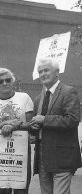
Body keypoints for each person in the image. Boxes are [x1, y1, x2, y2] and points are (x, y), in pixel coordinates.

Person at [30, 58, 81, 194]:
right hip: (42, 155)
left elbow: (73, 120)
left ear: (57, 72)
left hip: (62, 156)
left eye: (46, 70)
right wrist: (34, 127)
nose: (42, 74)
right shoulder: (38, 98)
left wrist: (44, 119)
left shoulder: (68, 92)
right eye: (40, 71)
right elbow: (38, 123)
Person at [0, 68, 34, 194]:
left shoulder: (24, 98)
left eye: (8, 80)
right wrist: (4, 123)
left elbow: (32, 125)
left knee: (21, 189)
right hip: (0, 152)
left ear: (13, 82)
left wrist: (15, 126)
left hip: (21, 151)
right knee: (4, 191)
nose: (5, 83)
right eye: (0, 81)